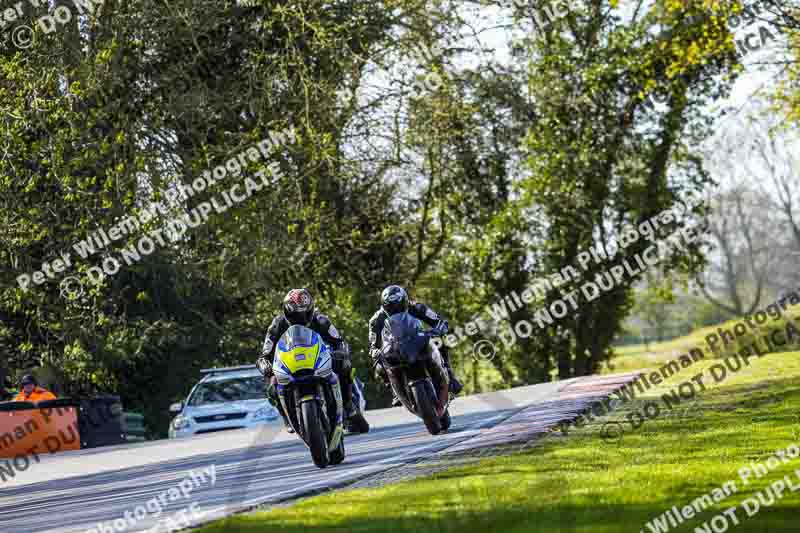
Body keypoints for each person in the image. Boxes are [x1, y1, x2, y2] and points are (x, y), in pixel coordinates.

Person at [256, 288, 357, 432]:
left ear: (311, 310)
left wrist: (341, 352)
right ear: (286, 311)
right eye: (294, 315)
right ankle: (287, 417)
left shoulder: (321, 320)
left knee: (344, 365)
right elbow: (265, 352)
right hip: (289, 363)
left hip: (318, 360)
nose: (300, 318)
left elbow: (339, 341)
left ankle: (348, 403)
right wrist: (264, 363)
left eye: (304, 314)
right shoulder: (277, 324)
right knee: (272, 385)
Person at [369, 285, 463, 406]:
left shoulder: (416, 307)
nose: (395, 310)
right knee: (379, 365)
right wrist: (375, 350)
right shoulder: (376, 319)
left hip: (418, 340)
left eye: (398, 307)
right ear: (384, 307)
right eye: (391, 309)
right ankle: (395, 391)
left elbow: (436, 320)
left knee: (440, 342)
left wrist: (440, 328)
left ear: (405, 302)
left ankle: (450, 375)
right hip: (395, 347)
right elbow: (373, 342)